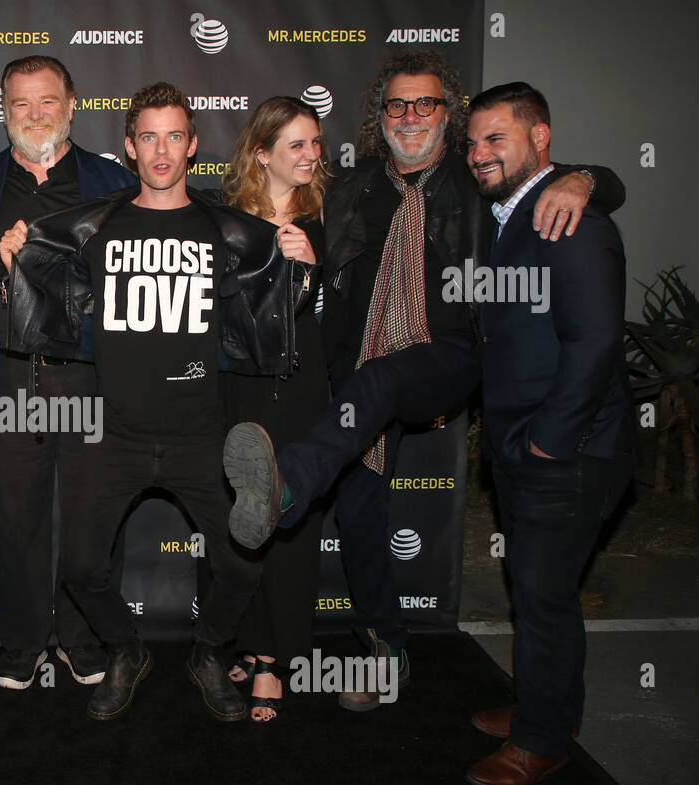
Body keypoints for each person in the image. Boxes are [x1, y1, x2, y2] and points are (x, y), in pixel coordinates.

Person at [222, 51, 625, 712]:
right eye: (396, 105)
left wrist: (584, 180)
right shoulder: (349, 188)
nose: (410, 116)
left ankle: (285, 487)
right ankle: (386, 647)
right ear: (379, 118)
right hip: (359, 378)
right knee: (356, 508)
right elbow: (281, 208)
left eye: (426, 104)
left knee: (382, 383)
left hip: (450, 357)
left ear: (450, 115)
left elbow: (564, 181)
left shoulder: (479, 183)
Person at [1, 82, 309, 722]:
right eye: (148, 137)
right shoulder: (96, 226)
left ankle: (205, 653)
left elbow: (272, 320)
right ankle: (126, 649)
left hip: (202, 433)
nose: (161, 151)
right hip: (113, 433)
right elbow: (52, 301)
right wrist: (17, 265)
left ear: (193, 145)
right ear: (130, 146)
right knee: (81, 567)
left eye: (174, 136)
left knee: (245, 566)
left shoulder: (229, 232)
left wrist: (298, 269)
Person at [462, 83, 634, 785]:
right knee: (541, 592)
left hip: (567, 451)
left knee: (543, 596)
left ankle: (542, 741)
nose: (479, 154)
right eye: (472, 143)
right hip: (523, 443)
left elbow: (595, 346)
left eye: (495, 139)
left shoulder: (576, 220)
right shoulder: (510, 215)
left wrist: (548, 445)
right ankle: (548, 707)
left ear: (542, 139)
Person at [0, 56, 135, 690]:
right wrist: (1, 269)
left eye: (47, 102)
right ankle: (21, 642)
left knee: (92, 517)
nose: (35, 115)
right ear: (4, 110)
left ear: (71, 105)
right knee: (17, 517)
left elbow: (137, 281)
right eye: (20, 104)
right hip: (14, 376)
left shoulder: (113, 182)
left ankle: (82, 635)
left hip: (91, 375)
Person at [219, 97, 330, 722]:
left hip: (305, 389)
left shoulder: (329, 216)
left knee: (290, 520)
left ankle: (275, 658)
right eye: (296, 145)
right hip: (242, 388)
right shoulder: (228, 220)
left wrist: (314, 270)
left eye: (315, 143)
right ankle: (247, 640)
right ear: (261, 153)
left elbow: (345, 315)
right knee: (244, 518)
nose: (312, 155)